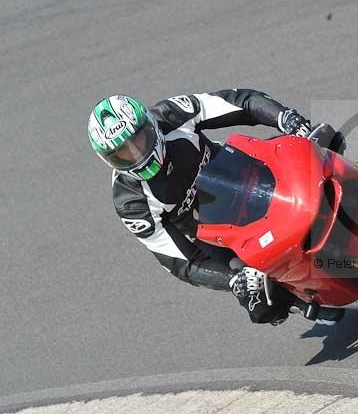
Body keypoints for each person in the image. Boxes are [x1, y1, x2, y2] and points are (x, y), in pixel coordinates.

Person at [87, 90, 314, 325]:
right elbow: (181, 262)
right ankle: (310, 300)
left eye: (139, 140)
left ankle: (353, 171)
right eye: (123, 154)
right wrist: (233, 280)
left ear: (150, 124)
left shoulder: (171, 115)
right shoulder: (131, 203)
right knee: (260, 299)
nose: (137, 155)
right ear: (108, 159)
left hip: (246, 175)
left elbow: (241, 103)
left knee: (306, 145)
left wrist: (284, 117)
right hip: (222, 235)